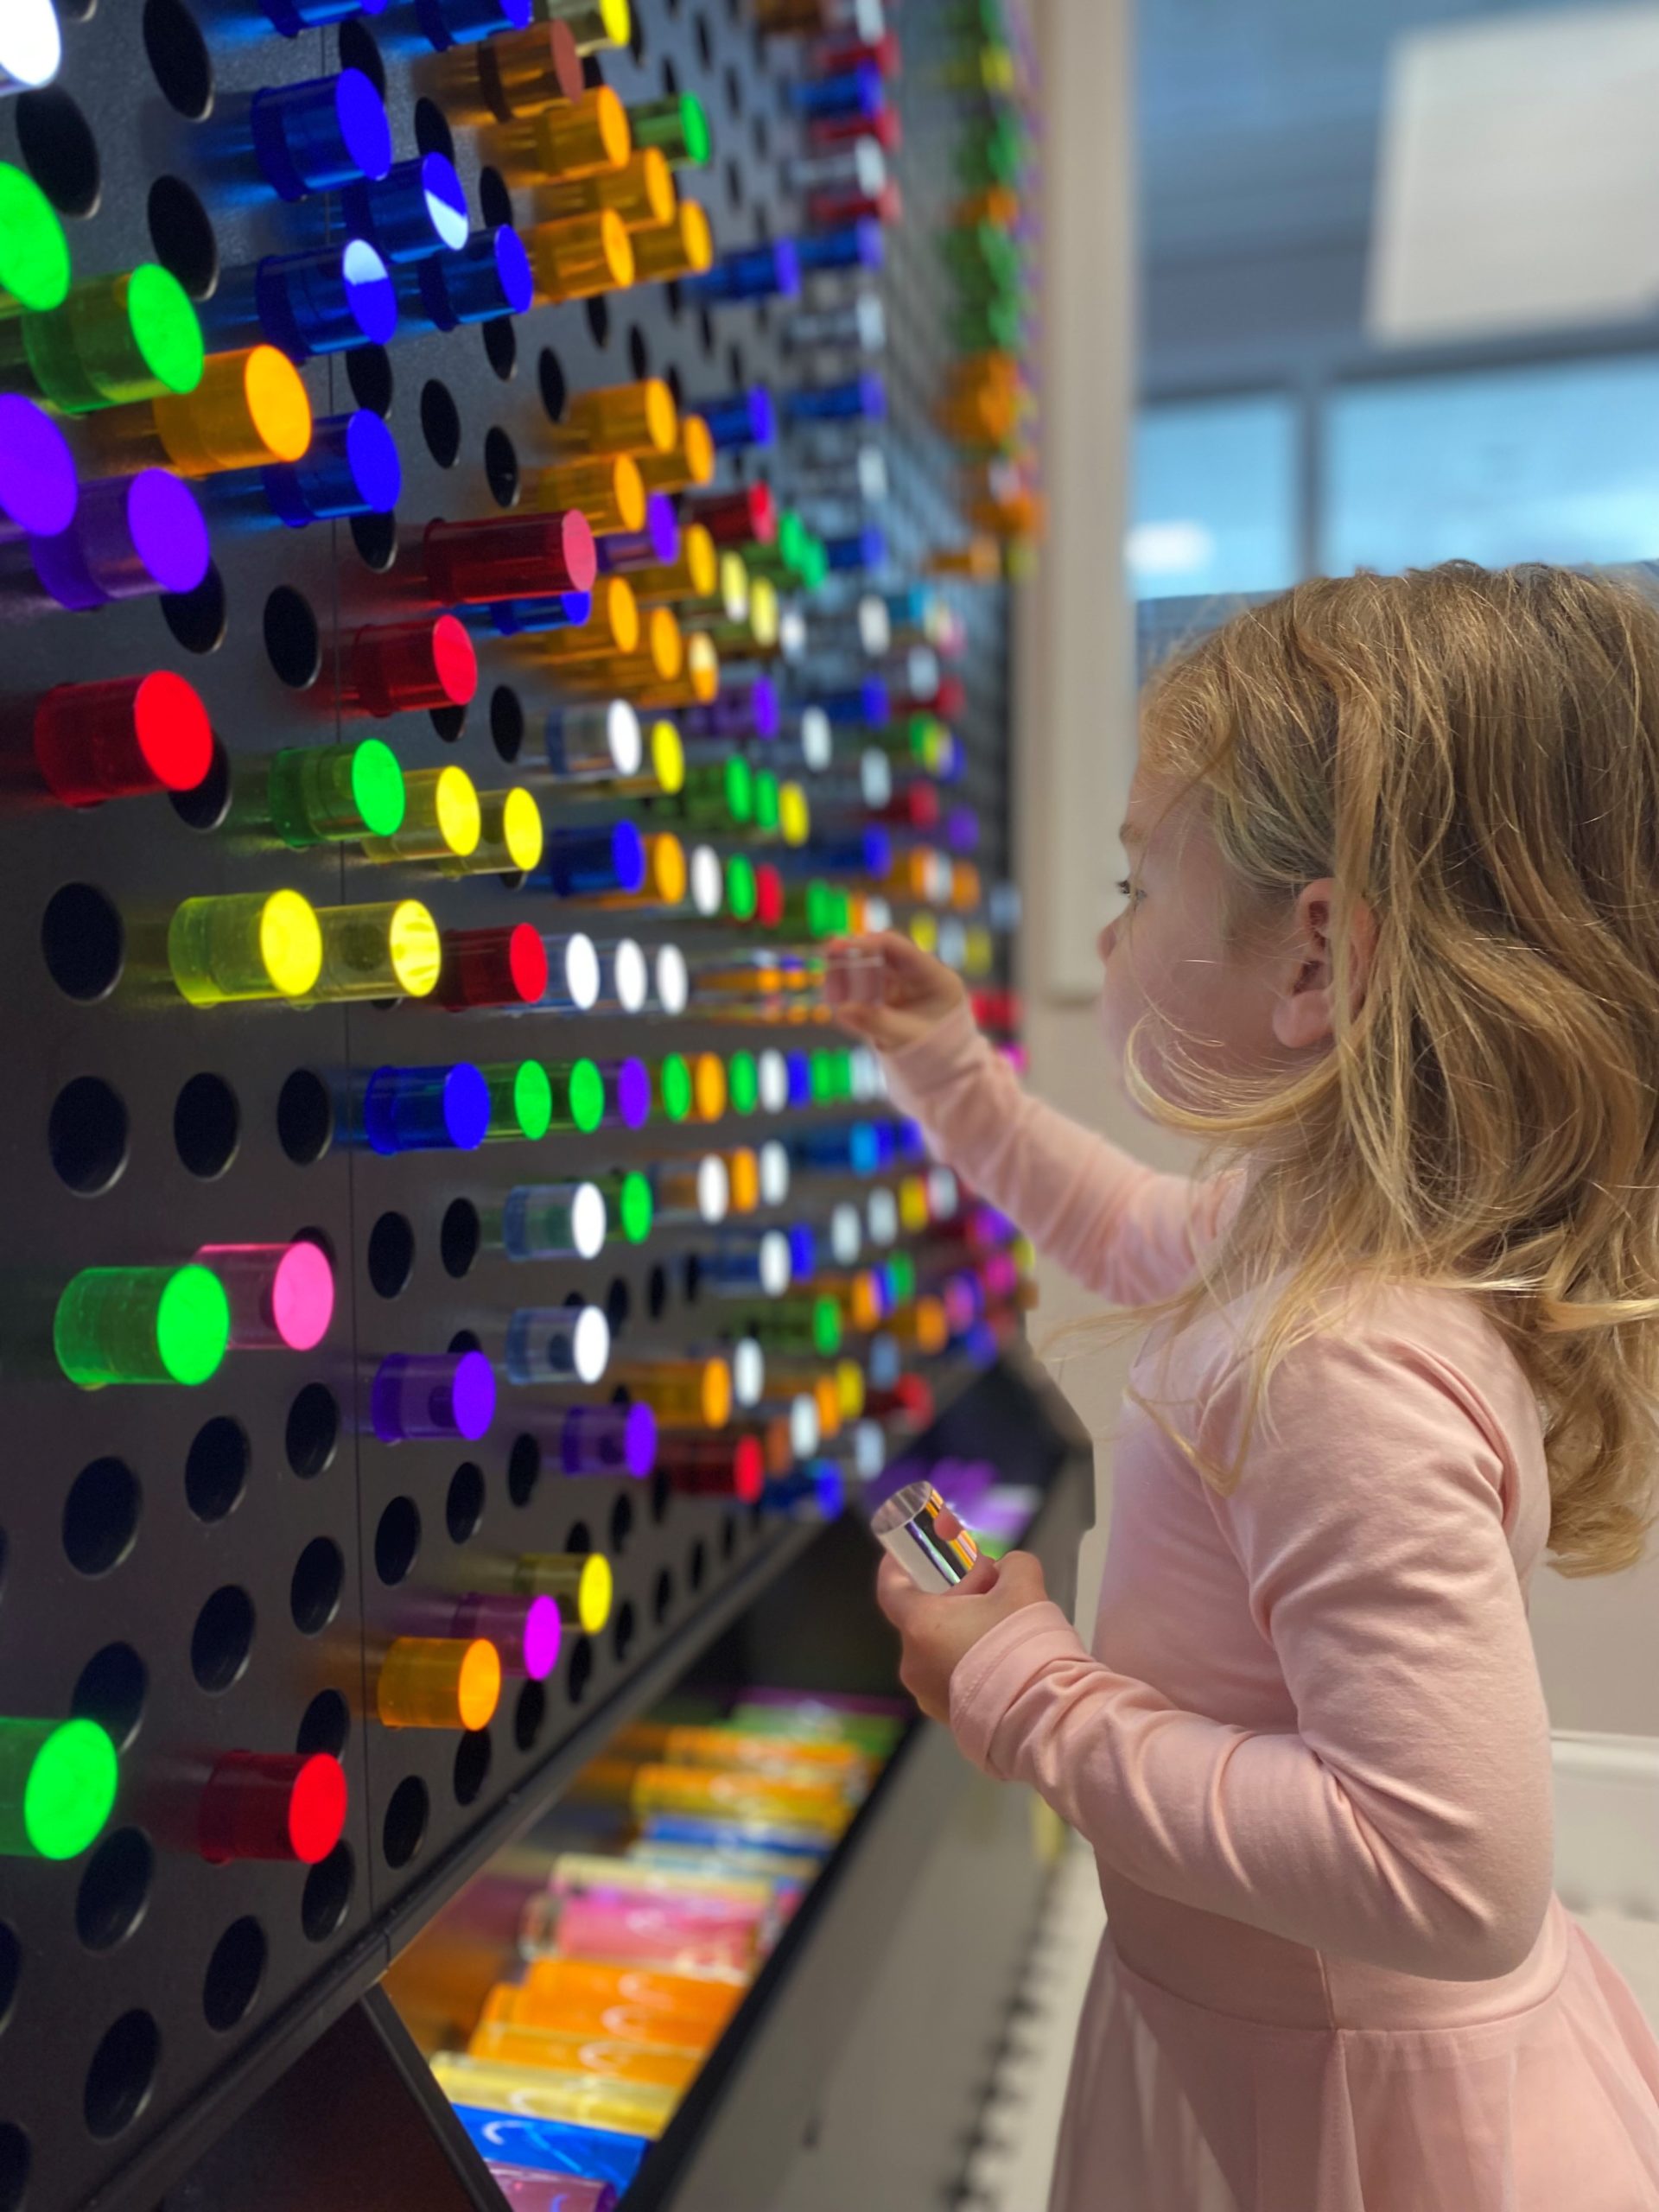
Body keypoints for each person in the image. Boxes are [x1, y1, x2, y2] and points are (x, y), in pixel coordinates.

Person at [830, 564, 1659, 2211]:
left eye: (1135, 883)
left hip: (1346, 2120)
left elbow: (1447, 1871)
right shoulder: (1320, 1232)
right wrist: (943, 1068)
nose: (1105, 934)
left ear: (1316, 958)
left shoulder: (1340, 1364)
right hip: (1248, 2039)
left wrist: (1030, 1689)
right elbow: (1130, 1229)